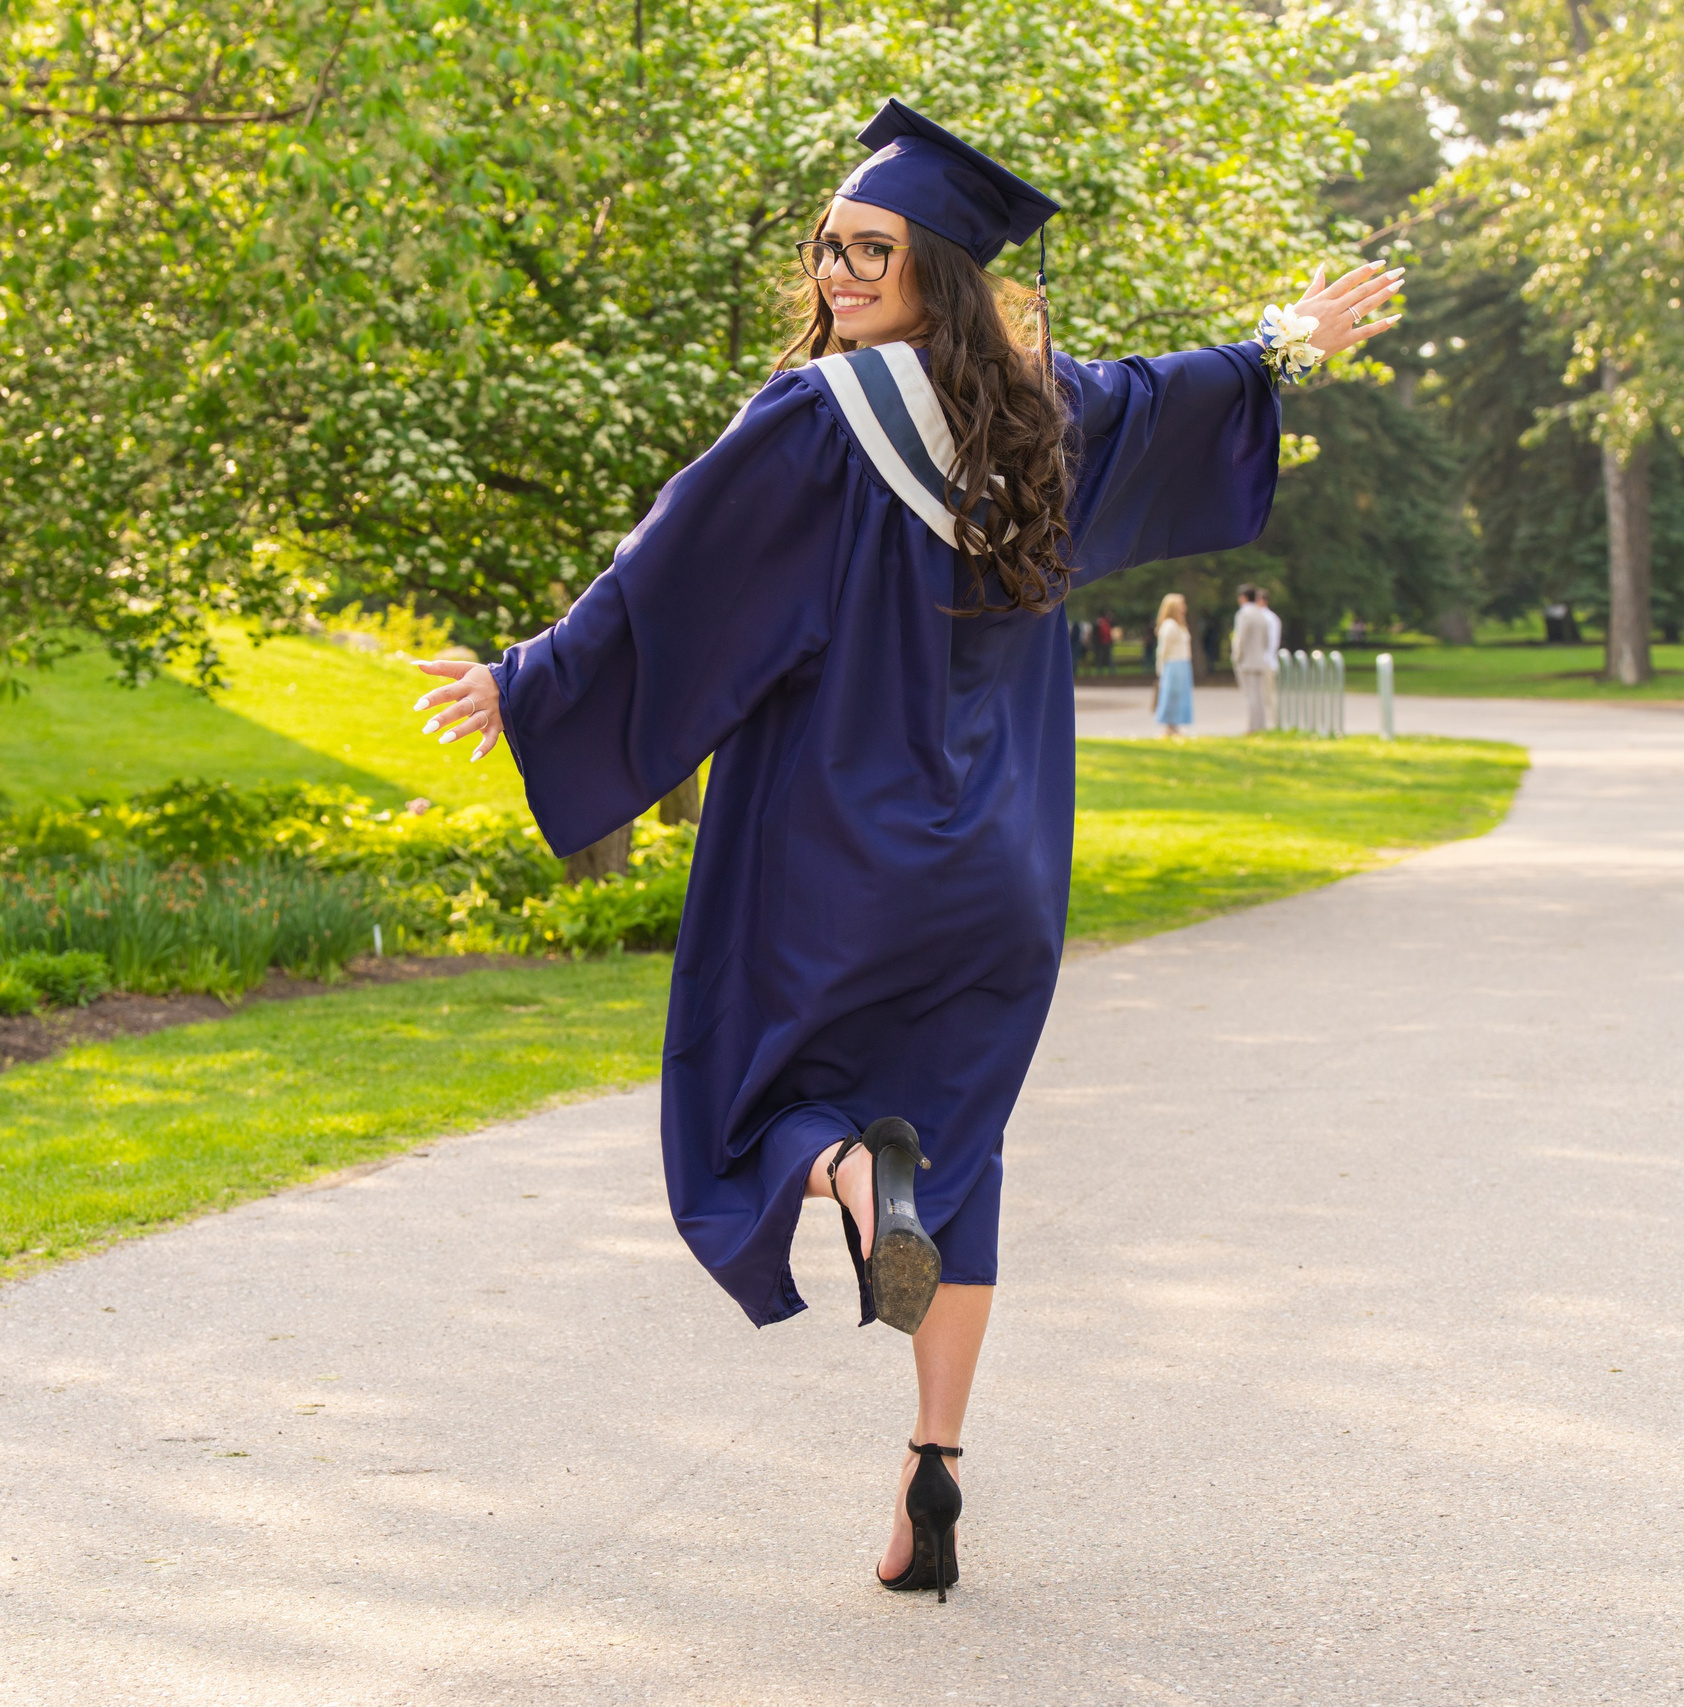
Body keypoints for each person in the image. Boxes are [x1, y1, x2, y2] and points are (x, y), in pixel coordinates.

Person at [413, 98, 1398, 1602]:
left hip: (838, 855)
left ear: (935, 268)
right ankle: (931, 1469)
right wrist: (1287, 339)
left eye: (870, 249)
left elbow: (665, 575)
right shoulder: (1046, 421)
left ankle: (860, 1184)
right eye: (829, 246)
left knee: (758, 1099)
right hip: (1001, 874)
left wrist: (531, 681)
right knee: (964, 1152)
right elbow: (1180, 388)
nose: (838, 273)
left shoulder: (815, 423)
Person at [1233, 583, 1279, 732]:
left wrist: (1237, 656)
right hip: (1260, 660)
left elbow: (1241, 638)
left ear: (1244, 597)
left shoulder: (1244, 614)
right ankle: (1260, 725)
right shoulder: (1262, 614)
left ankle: (1253, 726)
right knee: (1259, 696)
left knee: (1251, 696)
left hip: (1248, 661)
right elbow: (1266, 640)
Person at [1152, 593, 1195, 737]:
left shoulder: (1179, 624)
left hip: (1182, 664)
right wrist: (1161, 669)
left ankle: (1175, 726)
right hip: (1173, 665)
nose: (1184, 608)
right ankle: (1170, 726)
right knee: (1171, 695)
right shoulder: (1169, 626)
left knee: (1180, 695)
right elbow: (1163, 651)